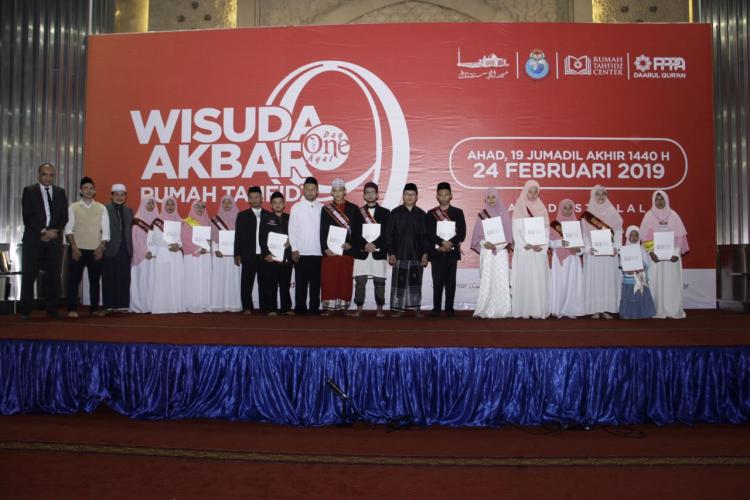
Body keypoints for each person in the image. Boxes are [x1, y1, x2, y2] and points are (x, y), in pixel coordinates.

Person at [20, 163, 69, 319]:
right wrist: (43, 231)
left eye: (51, 175)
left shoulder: (60, 192)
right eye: (44, 174)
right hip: (34, 240)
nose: (48, 178)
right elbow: (27, 216)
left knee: (54, 275)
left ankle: (52, 309)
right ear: (38, 175)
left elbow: (64, 216)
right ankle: (26, 311)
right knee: (29, 275)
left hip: (54, 240)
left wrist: (54, 231)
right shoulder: (29, 191)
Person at [639, 190, 689, 319]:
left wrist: (676, 253)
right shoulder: (649, 216)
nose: (659, 201)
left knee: (671, 282)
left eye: (662, 199)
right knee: (656, 282)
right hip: (656, 257)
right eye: (657, 199)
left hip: (672, 257)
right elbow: (645, 237)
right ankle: (655, 309)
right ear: (653, 201)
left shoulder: (674, 215)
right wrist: (651, 252)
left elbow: (679, 237)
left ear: (666, 200)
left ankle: (672, 310)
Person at [65, 177, 110, 318]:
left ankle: (94, 308)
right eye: (85, 188)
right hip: (77, 249)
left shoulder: (101, 208)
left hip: (95, 250)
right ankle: (72, 308)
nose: (88, 191)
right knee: (74, 280)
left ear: (94, 191)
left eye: (91, 188)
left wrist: (101, 248)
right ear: (81, 191)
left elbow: (106, 232)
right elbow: (68, 229)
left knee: (95, 281)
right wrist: (74, 248)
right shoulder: (73, 207)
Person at [385, 183, 428, 317]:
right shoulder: (395, 213)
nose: (409, 197)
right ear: (403, 196)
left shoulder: (421, 214)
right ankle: (398, 308)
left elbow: (426, 237)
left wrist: (425, 254)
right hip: (399, 254)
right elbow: (388, 235)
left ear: (416, 197)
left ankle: (416, 308)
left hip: (417, 254)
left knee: (416, 283)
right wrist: (391, 253)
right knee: (399, 283)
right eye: (407, 194)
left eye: (412, 194)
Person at [319, 178, 361, 316]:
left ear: (345, 191)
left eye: (340, 190)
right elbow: (322, 231)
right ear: (332, 192)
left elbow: (358, 231)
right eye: (335, 191)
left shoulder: (354, 209)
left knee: (345, 279)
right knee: (329, 278)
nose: (338, 193)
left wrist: (351, 244)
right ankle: (329, 308)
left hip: (346, 251)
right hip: (331, 251)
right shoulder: (326, 209)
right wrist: (325, 248)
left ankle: (344, 307)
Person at [581, 185, 623, 319]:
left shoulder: (612, 212)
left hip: (609, 253)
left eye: (603, 194)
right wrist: (588, 248)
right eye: (597, 194)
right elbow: (584, 235)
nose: (600, 197)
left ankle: (606, 309)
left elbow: (618, 231)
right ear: (592, 196)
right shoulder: (587, 215)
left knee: (607, 280)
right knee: (595, 280)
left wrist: (616, 247)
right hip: (594, 253)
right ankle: (595, 309)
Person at [471, 188, 512, 319]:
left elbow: (508, 236)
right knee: (487, 279)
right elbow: (477, 236)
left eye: (494, 197)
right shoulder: (482, 215)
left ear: (498, 198)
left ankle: (503, 309)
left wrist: (498, 246)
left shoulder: (504, 214)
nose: (491, 200)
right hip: (487, 251)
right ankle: (484, 308)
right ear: (485, 199)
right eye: (489, 197)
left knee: (501, 279)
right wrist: (484, 243)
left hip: (500, 252)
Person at [425, 182, 466, 317]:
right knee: (437, 282)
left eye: (446, 194)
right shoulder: (431, 213)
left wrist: (450, 244)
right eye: (441, 195)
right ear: (437, 196)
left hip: (452, 252)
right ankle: (436, 308)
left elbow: (462, 233)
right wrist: (442, 243)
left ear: (451, 196)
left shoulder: (458, 212)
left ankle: (449, 308)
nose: (443, 197)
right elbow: (429, 233)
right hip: (437, 252)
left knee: (450, 282)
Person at [510, 180, 549, 319]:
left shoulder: (542, 209)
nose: (532, 195)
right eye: (530, 191)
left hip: (538, 251)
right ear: (525, 191)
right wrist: (524, 244)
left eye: (535, 192)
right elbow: (516, 231)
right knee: (525, 280)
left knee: (537, 280)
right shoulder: (519, 208)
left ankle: (538, 309)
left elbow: (546, 230)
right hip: (524, 251)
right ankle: (524, 310)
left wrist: (542, 246)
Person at [351, 182, 390, 318]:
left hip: (378, 252)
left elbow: (387, 233)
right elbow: (354, 233)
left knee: (379, 282)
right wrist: (365, 245)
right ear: (363, 195)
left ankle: (379, 309)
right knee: (360, 282)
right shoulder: (357, 212)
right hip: (361, 252)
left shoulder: (385, 213)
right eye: (367, 192)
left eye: (372, 192)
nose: (370, 194)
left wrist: (375, 245)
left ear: (377, 194)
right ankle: (359, 308)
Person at [289, 177, 323, 315]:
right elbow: (291, 230)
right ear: (303, 190)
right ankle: (300, 309)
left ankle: (314, 308)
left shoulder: (322, 208)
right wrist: (294, 249)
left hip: (318, 252)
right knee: (301, 284)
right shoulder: (296, 207)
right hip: (301, 253)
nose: (310, 192)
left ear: (317, 191)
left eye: (313, 189)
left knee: (316, 285)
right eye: (308, 189)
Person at [548, 199, 585, 318]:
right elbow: (549, 243)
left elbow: (582, 244)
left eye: (570, 208)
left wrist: (579, 250)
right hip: (559, 259)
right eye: (565, 208)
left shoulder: (577, 225)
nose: (568, 210)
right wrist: (560, 243)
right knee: (561, 283)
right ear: (560, 209)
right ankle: (558, 309)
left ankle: (570, 309)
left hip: (573, 259)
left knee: (571, 283)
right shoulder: (554, 225)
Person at [234, 186, 268, 314]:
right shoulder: (242, 215)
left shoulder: (268, 215)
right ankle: (247, 307)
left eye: (257, 197)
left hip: (264, 255)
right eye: (251, 197)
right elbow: (238, 236)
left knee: (264, 283)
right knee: (246, 284)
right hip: (248, 255)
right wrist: (236, 253)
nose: (254, 200)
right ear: (248, 199)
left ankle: (264, 307)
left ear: (262, 198)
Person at [259, 192, 293, 316]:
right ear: (271, 206)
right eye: (275, 203)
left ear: (284, 204)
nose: (278, 205)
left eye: (280, 202)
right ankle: (272, 308)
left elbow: (296, 235)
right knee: (271, 285)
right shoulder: (266, 218)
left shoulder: (290, 218)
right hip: (271, 258)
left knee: (285, 285)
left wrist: (291, 241)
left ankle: (286, 308)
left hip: (286, 257)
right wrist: (266, 254)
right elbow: (262, 238)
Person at [102, 184, 133, 312]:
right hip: (110, 247)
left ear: (125, 196)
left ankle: (122, 304)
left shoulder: (129, 210)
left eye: (122, 195)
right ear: (111, 195)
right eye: (117, 194)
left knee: (123, 276)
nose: (119, 197)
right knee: (109, 277)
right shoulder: (104, 209)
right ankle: (109, 304)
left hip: (125, 248)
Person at [151, 197, 185, 314]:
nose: (170, 207)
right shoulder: (158, 221)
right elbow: (156, 238)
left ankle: (175, 306)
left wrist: (179, 245)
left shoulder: (180, 221)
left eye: (172, 204)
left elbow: (183, 237)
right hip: (164, 252)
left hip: (176, 254)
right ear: (163, 206)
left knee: (175, 279)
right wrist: (171, 245)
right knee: (163, 279)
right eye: (168, 204)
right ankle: (162, 306)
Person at [209, 195, 242, 312]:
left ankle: (234, 304)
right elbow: (212, 238)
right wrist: (215, 249)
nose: (227, 205)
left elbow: (243, 238)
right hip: (220, 254)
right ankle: (219, 304)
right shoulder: (215, 220)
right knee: (220, 278)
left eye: (229, 202)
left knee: (234, 279)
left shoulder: (240, 218)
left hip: (235, 254)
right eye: (224, 203)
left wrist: (239, 251)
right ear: (221, 204)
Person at [619, 225, 657, 319]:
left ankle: (642, 312)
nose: (634, 237)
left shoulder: (642, 249)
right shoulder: (623, 249)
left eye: (636, 235)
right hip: (629, 277)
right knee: (630, 295)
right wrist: (628, 270)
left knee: (641, 294)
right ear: (628, 236)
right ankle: (629, 313)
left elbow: (647, 263)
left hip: (640, 277)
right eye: (632, 235)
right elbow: (621, 264)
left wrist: (641, 268)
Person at [182, 201, 212, 313]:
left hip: (205, 256)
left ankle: (204, 303)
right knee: (193, 279)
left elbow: (211, 239)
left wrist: (208, 245)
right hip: (192, 256)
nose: (200, 209)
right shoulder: (187, 222)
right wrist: (199, 249)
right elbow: (185, 240)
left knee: (204, 279)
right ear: (192, 208)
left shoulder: (208, 222)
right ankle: (192, 304)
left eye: (203, 207)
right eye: (197, 206)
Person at [129, 196, 158, 313]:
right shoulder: (138, 220)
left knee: (152, 282)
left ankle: (151, 305)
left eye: (152, 203)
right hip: (142, 257)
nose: (151, 206)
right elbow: (135, 240)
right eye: (148, 203)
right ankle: (140, 306)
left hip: (154, 256)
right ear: (143, 204)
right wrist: (145, 253)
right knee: (142, 281)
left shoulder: (158, 219)